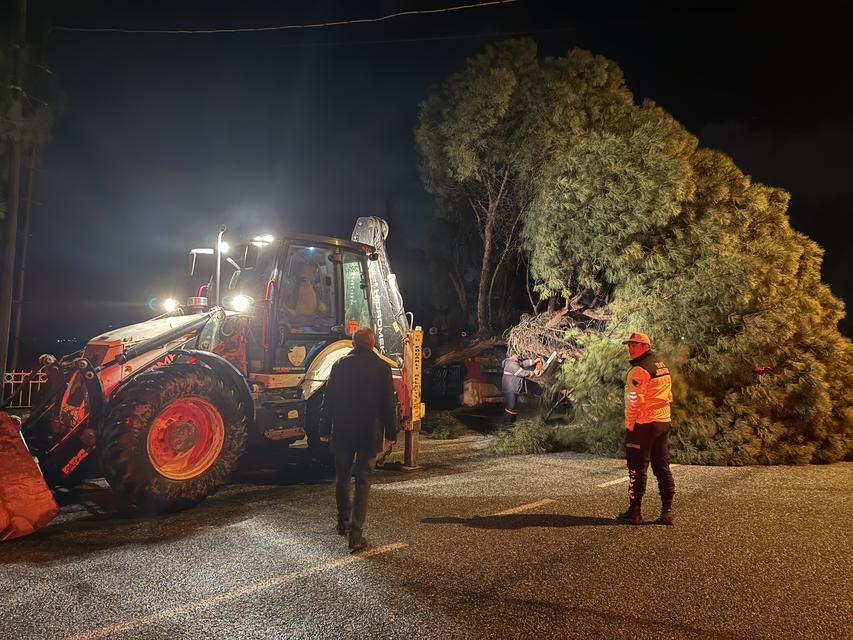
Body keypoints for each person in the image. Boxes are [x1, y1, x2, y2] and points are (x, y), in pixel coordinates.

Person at [319, 328, 397, 552]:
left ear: (353, 344)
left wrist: (324, 429)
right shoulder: (382, 368)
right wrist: (392, 432)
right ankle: (356, 534)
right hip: (368, 434)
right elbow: (387, 404)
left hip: (343, 432)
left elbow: (329, 400)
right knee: (363, 481)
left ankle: (342, 522)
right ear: (372, 345)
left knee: (342, 478)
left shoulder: (340, 365)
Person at [618, 332, 676, 525]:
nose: (630, 348)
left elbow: (635, 401)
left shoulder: (639, 371)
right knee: (662, 466)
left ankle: (635, 512)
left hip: (643, 424)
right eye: (629, 345)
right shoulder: (662, 366)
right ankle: (666, 512)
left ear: (645, 346)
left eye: (634, 345)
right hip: (663, 422)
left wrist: (630, 424)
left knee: (636, 468)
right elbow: (668, 394)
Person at [501, 354, 542, 425]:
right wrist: (533, 373)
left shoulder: (514, 361)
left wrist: (534, 361)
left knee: (514, 406)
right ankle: (505, 422)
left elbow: (523, 363)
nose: (519, 357)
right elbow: (521, 373)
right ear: (513, 355)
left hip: (513, 388)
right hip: (510, 388)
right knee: (511, 405)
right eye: (518, 356)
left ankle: (512, 422)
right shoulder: (511, 364)